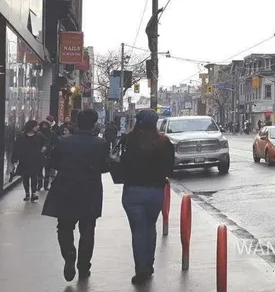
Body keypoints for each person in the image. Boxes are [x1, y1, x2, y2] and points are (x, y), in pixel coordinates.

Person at [41, 110, 110, 282]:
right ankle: (84, 266)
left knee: (64, 226)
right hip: (90, 190)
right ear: (94, 124)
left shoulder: (63, 142)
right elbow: (105, 167)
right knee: (88, 229)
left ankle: (69, 254)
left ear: (77, 123)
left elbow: (53, 163)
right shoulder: (101, 144)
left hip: (65, 188)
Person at [120, 109, 175, 285]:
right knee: (150, 227)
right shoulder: (164, 142)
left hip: (132, 191)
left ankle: (141, 269)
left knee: (137, 230)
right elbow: (170, 169)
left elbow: (120, 163)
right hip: (155, 192)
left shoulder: (129, 140)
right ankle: (148, 265)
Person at [11, 120, 47, 202]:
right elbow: (17, 147)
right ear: (31, 126)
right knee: (25, 177)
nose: (37, 127)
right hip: (24, 160)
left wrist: (44, 147)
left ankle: (33, 193)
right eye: (36, 126)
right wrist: (14, 158)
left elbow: (46, 141)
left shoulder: (39, 135)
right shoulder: (21, 136)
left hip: (35, 159)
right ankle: (27, 193)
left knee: (34, 176)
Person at [38, 121, 60, 191]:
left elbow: (56, 143)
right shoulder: (38, 134)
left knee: (47, 171)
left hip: (48, 154)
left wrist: (52, 149)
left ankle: (45, 185)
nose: (44, 127)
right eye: (43, 125)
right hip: (39, 154)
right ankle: (39, 185)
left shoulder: (52, 134)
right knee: (39, 171)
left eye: (45, 125)